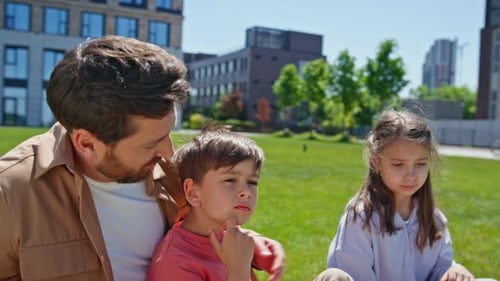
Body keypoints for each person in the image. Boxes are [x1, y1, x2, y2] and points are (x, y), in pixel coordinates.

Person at [0, 35, 285, 281]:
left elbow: (200, 222)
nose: (169, 152)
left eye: (168, 133)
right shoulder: (10, 194)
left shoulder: (174, 173)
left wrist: (251, 243)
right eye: (151, 144)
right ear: (87, 143)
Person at [326, 109, 494, 281]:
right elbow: (355, 275)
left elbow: (441, 267)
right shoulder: (361, 218)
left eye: (420, 164)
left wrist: (453, 270)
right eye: (398, 164)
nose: (411, 175)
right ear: (376, 162)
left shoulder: (433, 218)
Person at [148, 125, 270, 280]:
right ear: (193, 193)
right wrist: (239, 271)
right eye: (230, 180)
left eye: (252, 182)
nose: (246, 192)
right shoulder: (175, 263)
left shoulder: (232, 242)